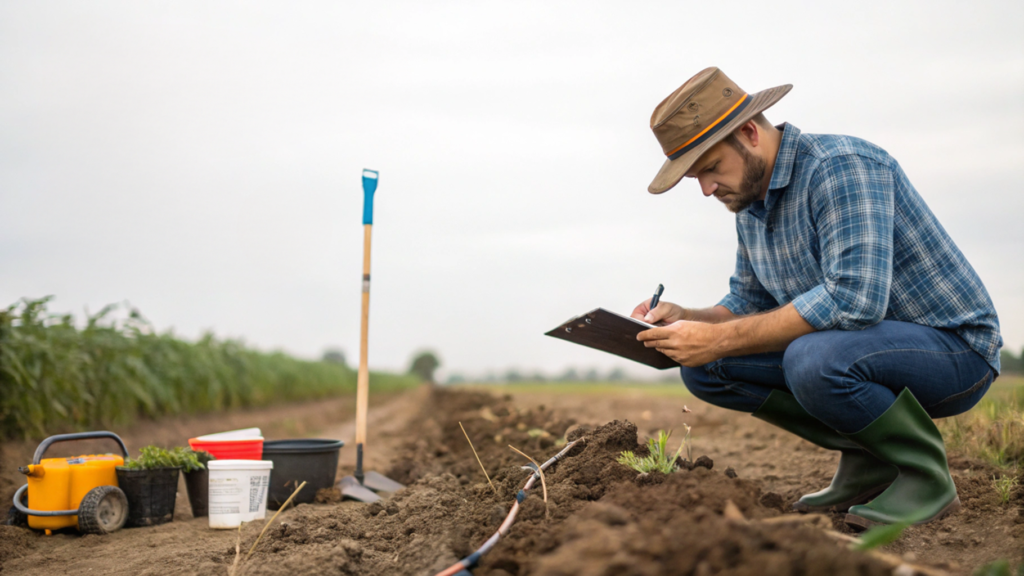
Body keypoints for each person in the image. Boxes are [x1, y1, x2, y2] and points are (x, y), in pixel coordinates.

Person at [631, 67, 1002, 529]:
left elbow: (853, 301)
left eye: (710, 167)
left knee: (813, 357)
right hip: (856, 351)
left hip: (954, 352)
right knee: (705, 366)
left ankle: (925, 476)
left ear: (749, 132)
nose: (706, 188)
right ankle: (871, 459)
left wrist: (721, 339)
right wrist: (688, 319)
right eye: (695, 178)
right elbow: (745, 304)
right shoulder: (749, 203)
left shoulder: (840, 167)